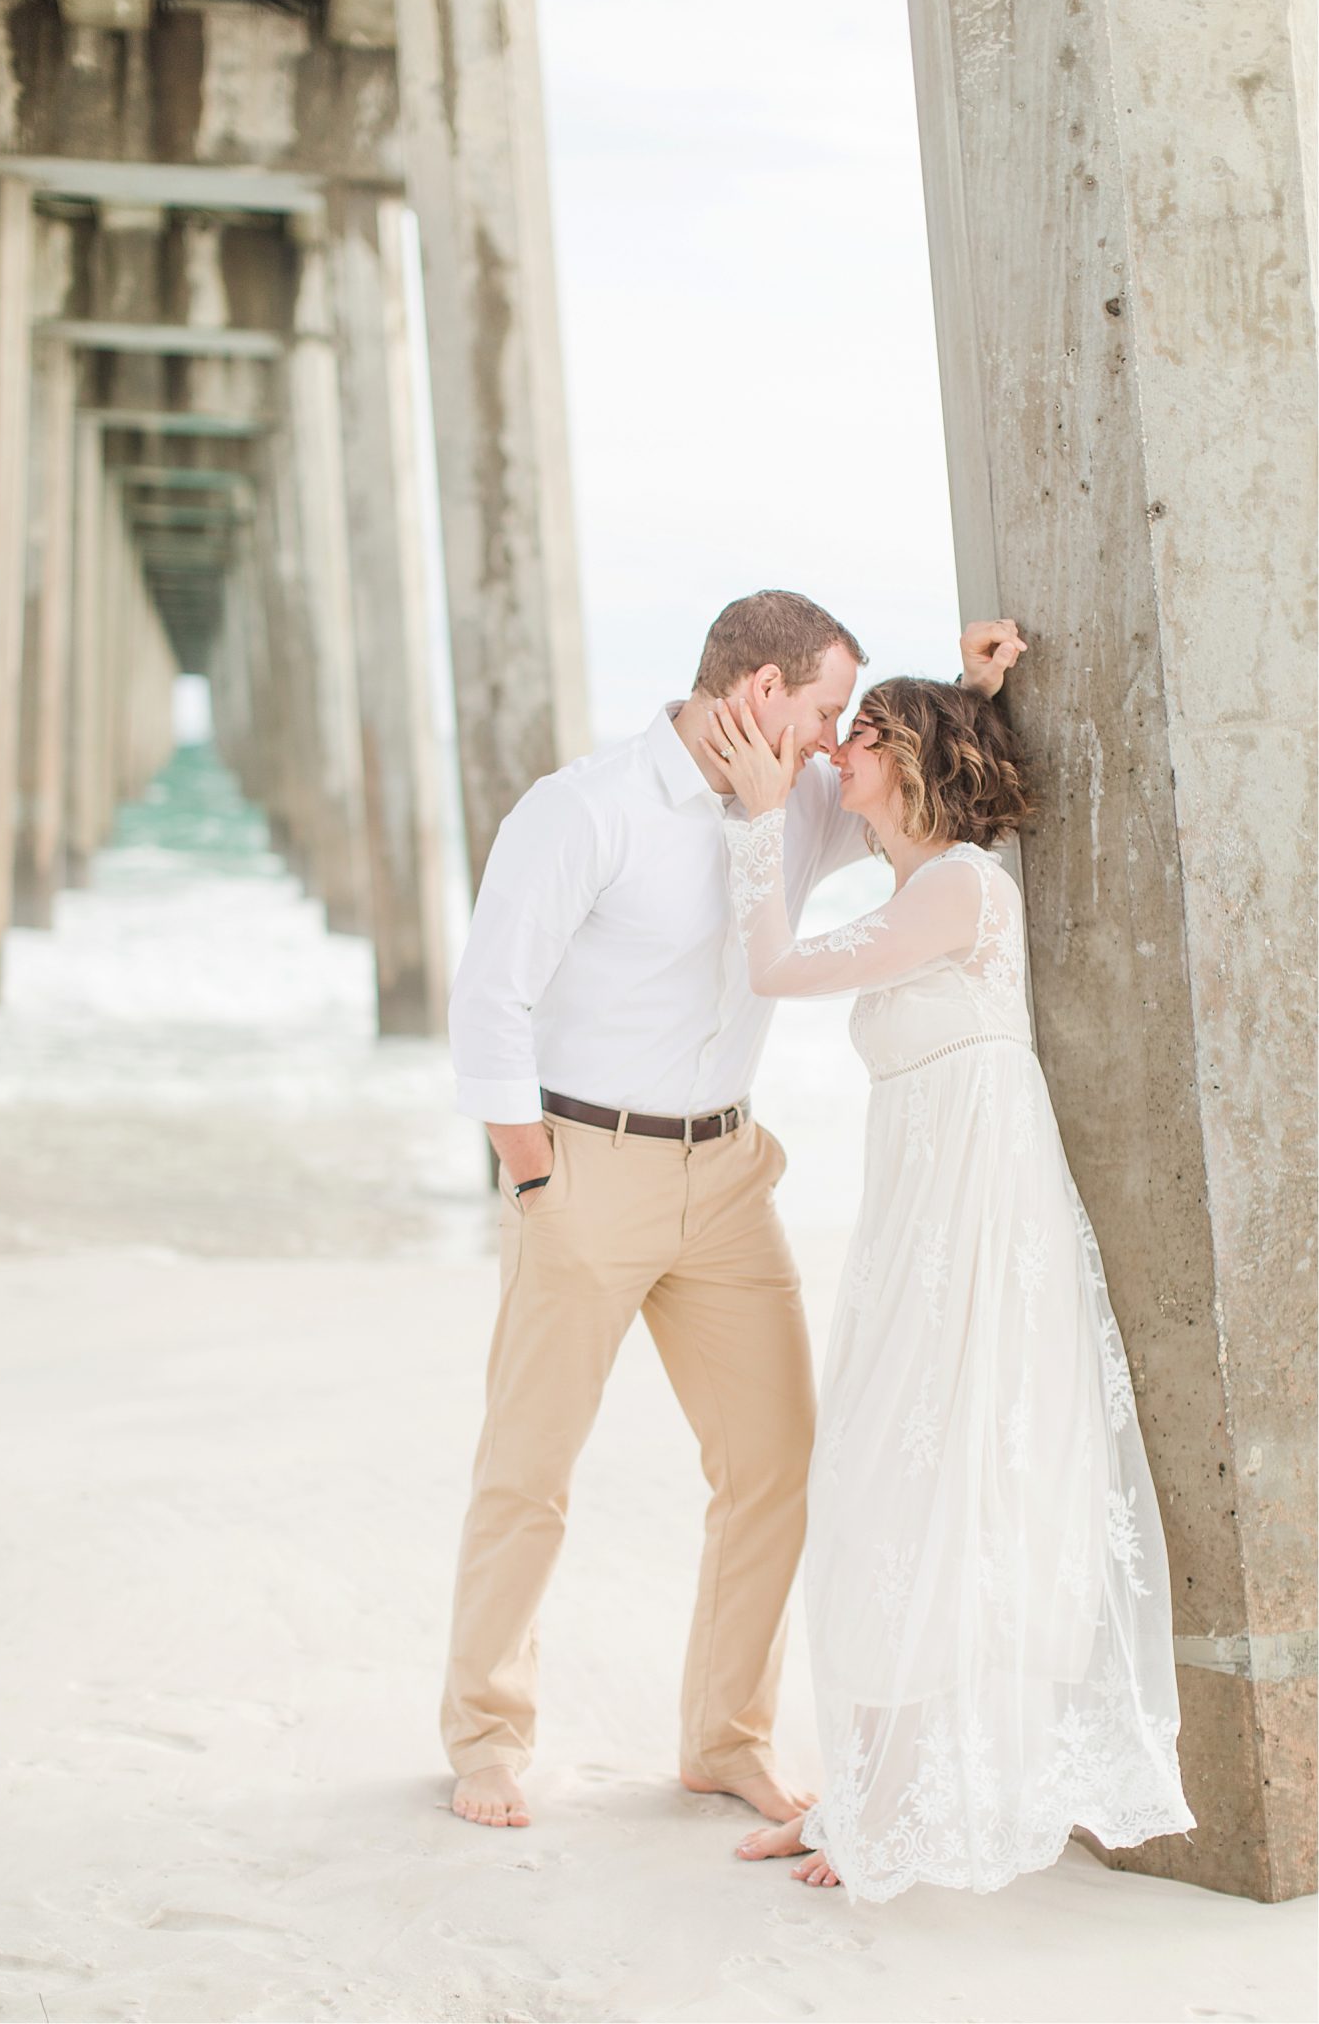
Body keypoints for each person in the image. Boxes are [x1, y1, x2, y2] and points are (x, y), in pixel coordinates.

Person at [442, 591, 1026, 1830]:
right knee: (531, 1467)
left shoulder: (806, 802)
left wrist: (974, 697)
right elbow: (490, 997)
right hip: (587, 1165)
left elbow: (915, 804)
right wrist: (535, 1174)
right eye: (821, 709)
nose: (831, 740)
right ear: (760, 692)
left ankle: (724, 1738)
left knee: (773, 1463)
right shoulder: (583, 809)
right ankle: (487, 1736)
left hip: (730, 1174)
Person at [706, 678, 1195, 1898]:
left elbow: (771, 963)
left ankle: (894, 1805)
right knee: (880, 1484)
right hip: (917, 1211)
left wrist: (758, 821)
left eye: (860, 735)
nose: (837, 752)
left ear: (913, 757)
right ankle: (866, 1795)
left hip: (973, 1213)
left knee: (928, 1484)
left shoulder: (964, 885)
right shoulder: (920, 887)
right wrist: (970, 681)